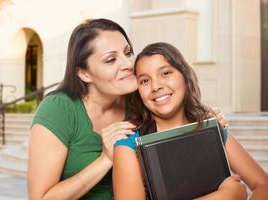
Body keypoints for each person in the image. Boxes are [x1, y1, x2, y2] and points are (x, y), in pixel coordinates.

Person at [27, 18, 228, 199]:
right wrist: (105, 159)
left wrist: (206, 121)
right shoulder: (59, 109)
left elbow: (179, 123)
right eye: (110, 59)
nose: (128, 64)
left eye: (128, 52)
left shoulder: (140, 101)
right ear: (84, 73)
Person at [113, 42, 268, 200]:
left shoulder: (211, 127)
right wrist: (227, 195)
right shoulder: (129, 144)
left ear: (184, 76)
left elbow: (263, 185)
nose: (156, 86)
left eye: (166, 73)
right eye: (145, 81)